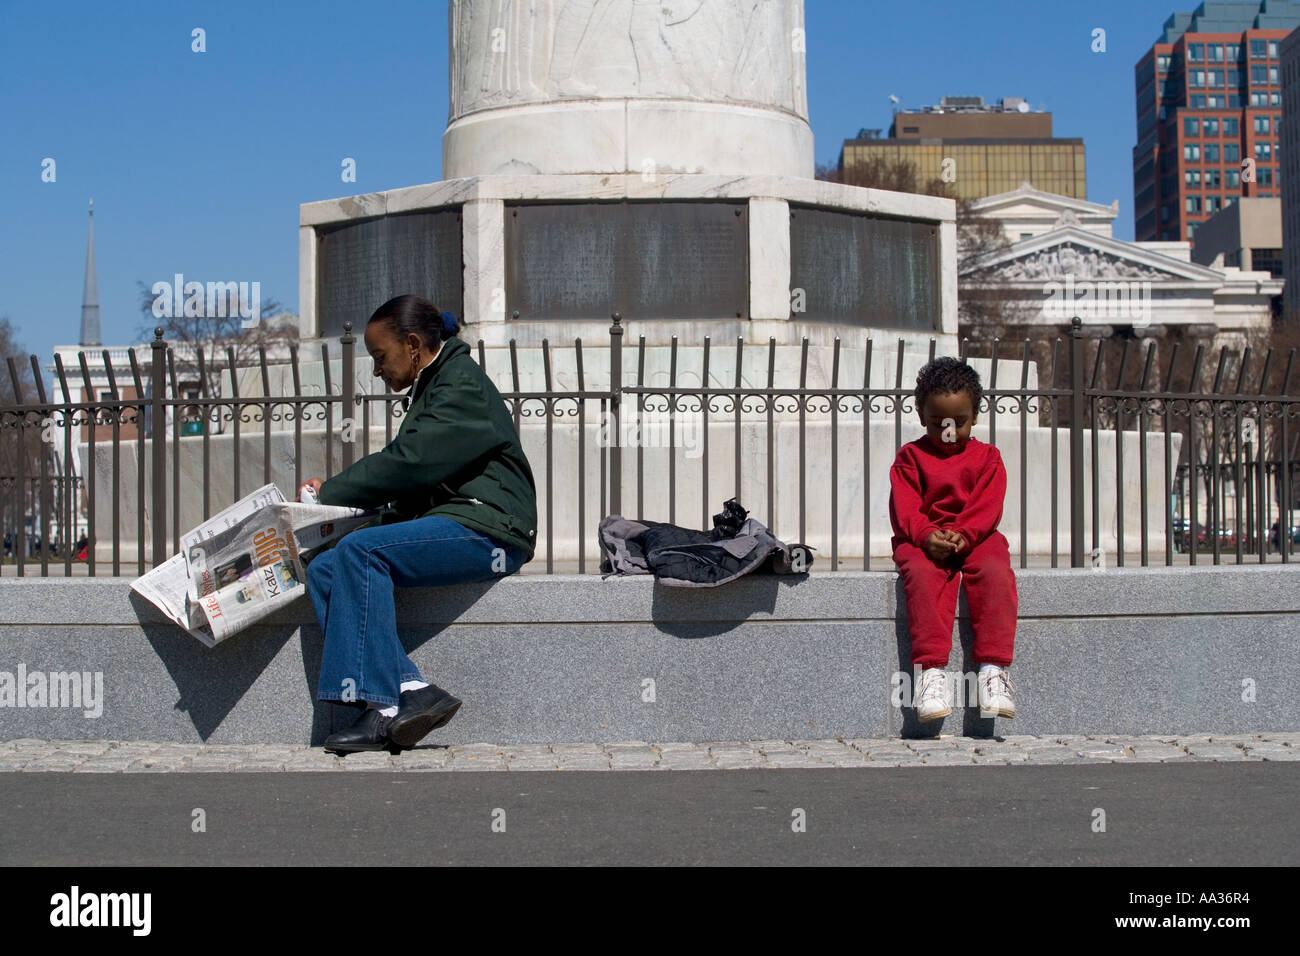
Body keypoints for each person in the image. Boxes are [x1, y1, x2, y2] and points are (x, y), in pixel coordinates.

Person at [301, 295, 537, 755]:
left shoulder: (459, 384)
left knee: (362, 551)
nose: (376, 370)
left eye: (379, 356)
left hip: (491, 529)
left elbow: (411, 462)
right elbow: (417, 479)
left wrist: (326, 494)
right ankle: (409, 691)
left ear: (412, 344)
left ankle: (384, 706)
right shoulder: (436, 384)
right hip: (457, 521)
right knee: (325, 569)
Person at [888, 357, 1017, 722]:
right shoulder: (909, 458)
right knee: (923, 575)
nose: (948, 431)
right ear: (921, 414)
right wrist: (928, 536)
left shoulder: (988, 458)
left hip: (977, 537)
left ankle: (994, 671)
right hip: (923, 539)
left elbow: (988, 507)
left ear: (975, 416)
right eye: (938, 422)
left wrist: (964, 534)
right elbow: (906, 508)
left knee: (994, 571)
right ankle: (931, 674)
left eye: (958, 422)